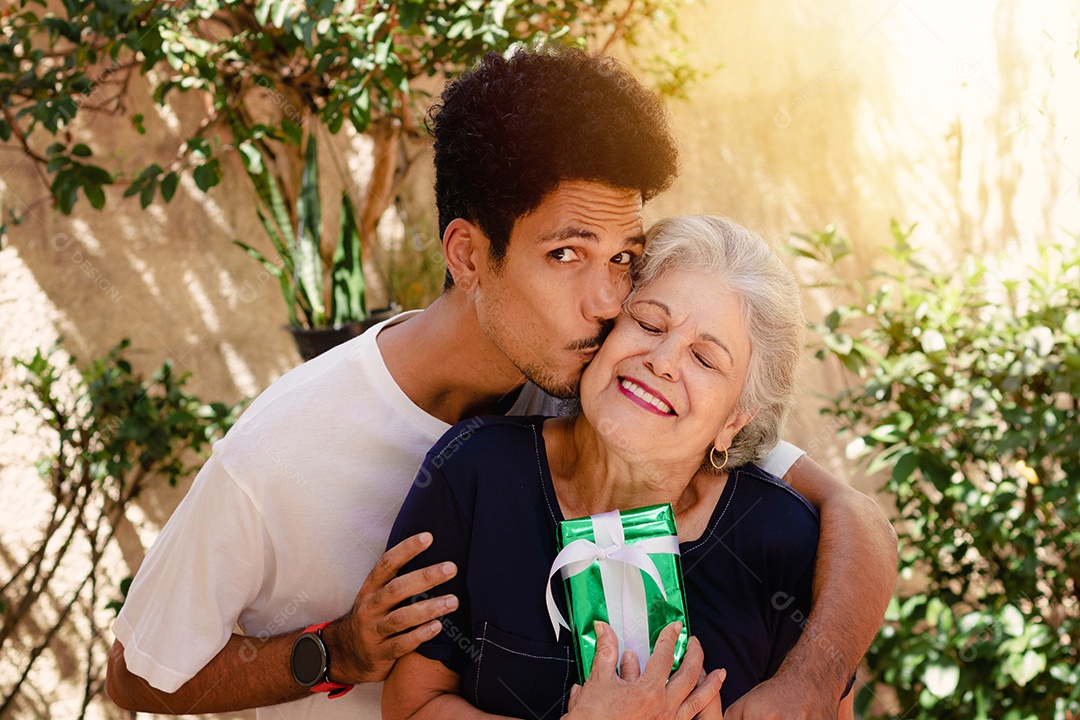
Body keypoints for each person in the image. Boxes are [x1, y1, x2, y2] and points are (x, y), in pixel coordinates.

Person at [105, 48, 896, 719]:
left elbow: (850, 512)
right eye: (565, 255)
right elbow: (134, 676)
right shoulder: (283, 451)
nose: (609, 300)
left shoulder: (596, 373)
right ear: (468, 255)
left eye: (623, 257)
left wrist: (809, 683)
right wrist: (334, 649)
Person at [382, 215, 853, 719]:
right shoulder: (475, 471)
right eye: (649, 324)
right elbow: (412, 706)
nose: (664, 360)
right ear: (606, 330)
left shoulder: (781, 540)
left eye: (706, 359)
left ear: (734, 421)